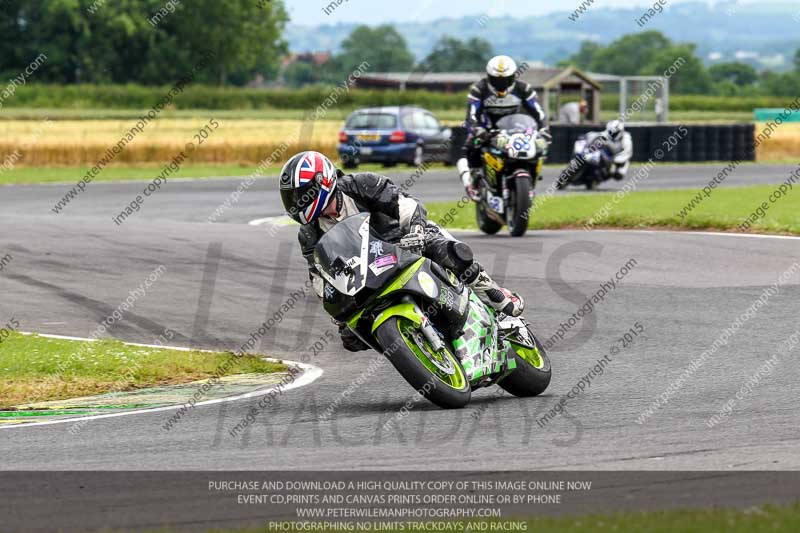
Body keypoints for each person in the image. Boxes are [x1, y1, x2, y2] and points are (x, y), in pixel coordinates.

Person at [279, 151, 525, 351]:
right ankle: (417, 346)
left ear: (322, 182)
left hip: (405, 239)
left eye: (300, 196)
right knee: (351, 337)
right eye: (292, 198)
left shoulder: (360, 185)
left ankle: (497, 297)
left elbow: (405, 204)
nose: (296, 203)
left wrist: (415, 231)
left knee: (448, 253)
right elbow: (319, 275)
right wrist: (334, 307)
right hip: (368, 272)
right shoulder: (309, 234)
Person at [456, 55, 548, 200]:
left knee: (538, 147)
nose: (502, 83)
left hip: (515, 128)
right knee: (470, 147)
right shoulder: (479, 89)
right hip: (486, 129)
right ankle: (472, 183)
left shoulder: (523, 88)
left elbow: (539, 112)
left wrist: (544, 129)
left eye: (506, 79)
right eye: (497, 79)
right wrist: (476, 130)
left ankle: (530, 181)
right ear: (489, 77)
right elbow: (472, 115)